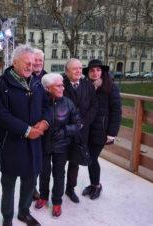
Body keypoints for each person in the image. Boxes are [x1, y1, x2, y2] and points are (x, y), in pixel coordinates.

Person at [0, 44, 51, 226]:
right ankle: (8, 218)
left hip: (34, 145)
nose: (30, 66)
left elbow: (48, 106)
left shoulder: (36, 82)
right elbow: (2, 115)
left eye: (32, 62)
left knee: (29, 181)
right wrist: (27, 130)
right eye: (26, 63)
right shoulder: (3, 84)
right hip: (12, 144)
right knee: (9, 185)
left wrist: (45, 122)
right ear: (15, 62)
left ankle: (24, 213)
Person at [35, 73, 82, 217]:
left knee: (59, 174)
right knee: (44, 173)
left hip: (61, 146)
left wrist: (65, 131)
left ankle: (57, 202)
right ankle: (43, 196)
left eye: (62, 85)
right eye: (58, 85)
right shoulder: (40, 103)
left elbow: (78, 124)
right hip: (43, 144)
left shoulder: (68, 103)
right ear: (48, 88)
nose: (62, 88)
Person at [82, 59, 122, 199]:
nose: (95, 73)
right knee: (89, 158)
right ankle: (93, 184)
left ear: (103, 72)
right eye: (92, 70)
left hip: (101, 130)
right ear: (88, 73)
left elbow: (116, 111)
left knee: (92, 158)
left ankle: (97, 185)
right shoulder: (86, 86)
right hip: (88, 130)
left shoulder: (110, 87)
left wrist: (112, 133)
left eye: (98, 70)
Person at [63, 58, 98, 203]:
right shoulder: (60, 84)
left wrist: (83, 123)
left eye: (80, 68)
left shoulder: (87, 85)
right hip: (64, 131)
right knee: (59, 164)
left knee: (74, 162)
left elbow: (94, 106)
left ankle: (70, 189)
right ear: (67, 71)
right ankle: (56, 192)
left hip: (82, 131)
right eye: (74, 68)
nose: (78, 71)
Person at [31, 48, 47, 201]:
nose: (37, 63)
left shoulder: (49, 78)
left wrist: (45, 121)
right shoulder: (26, 77)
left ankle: (43, 188)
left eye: (40, 60)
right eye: (35, 60)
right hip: (31, 127)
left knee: (44, 160)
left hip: (47, 126)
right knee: (33, 159)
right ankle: (32, 187)